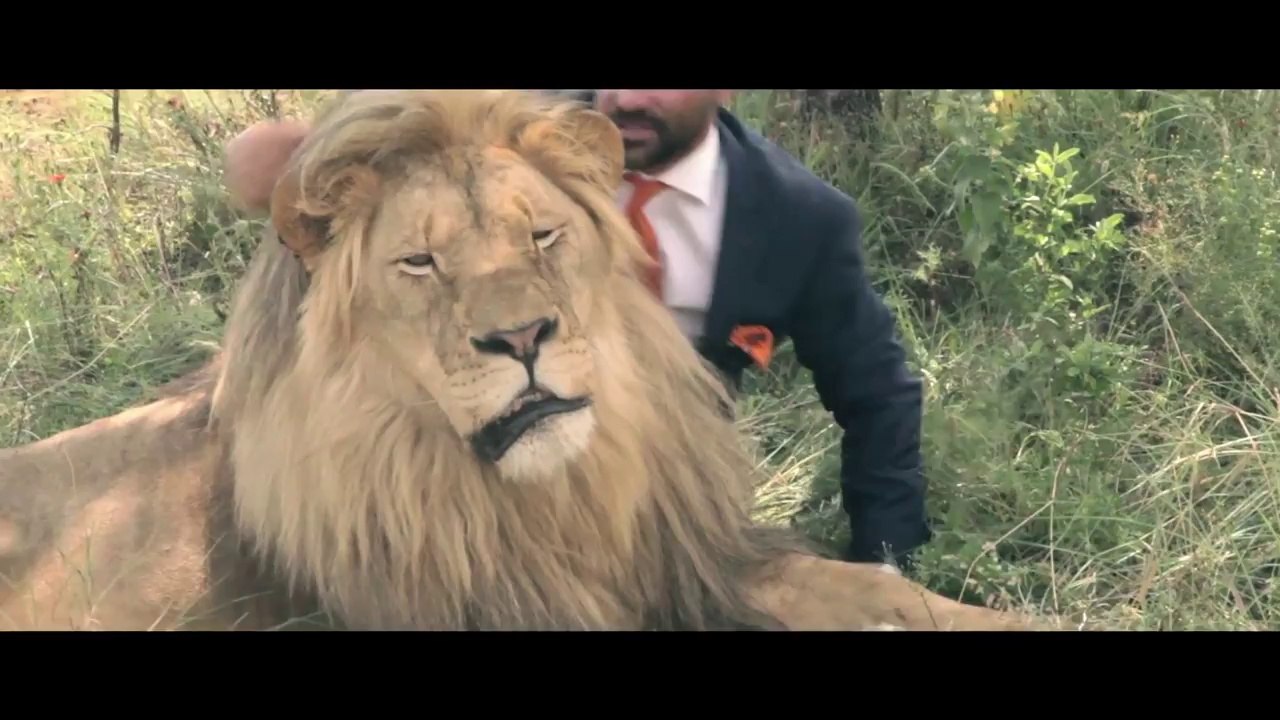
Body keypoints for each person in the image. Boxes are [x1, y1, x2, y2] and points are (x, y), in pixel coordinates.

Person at [222, 89, 931, 569]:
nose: (623, 99)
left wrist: (887, 557)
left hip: (655, 465)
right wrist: (295, 153)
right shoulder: (534, 128)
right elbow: (288, 160)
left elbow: (878, 395)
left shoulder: (799, 219)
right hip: (469, 455)